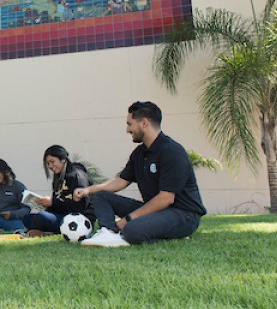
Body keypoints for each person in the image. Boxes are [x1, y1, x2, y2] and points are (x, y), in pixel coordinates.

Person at [75, 101, 206, 247]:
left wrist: (127, 220)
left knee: (132, 229)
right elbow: (120, 182)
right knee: (101, 195)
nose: (127, 129)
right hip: (157, 212)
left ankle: (131, 233)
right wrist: (88, 190)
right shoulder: (139, 154)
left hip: (183, 214)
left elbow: (166, 199)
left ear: (144, 123)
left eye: (129, 124)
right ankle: (109, 232)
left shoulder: (172, 152)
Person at [22, 145, 94, 237]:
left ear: (63, 159)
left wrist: (53, 202)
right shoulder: (58, 178)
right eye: (48, 163)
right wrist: (43, 204)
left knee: (40, 218)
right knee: (28, 218)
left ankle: (44, 232)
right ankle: (47, 232)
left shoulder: (77, 176)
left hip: (79, 218)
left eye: (52, 161)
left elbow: (79, 207)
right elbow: (58, 204)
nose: (50, 166)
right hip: (62, 215)